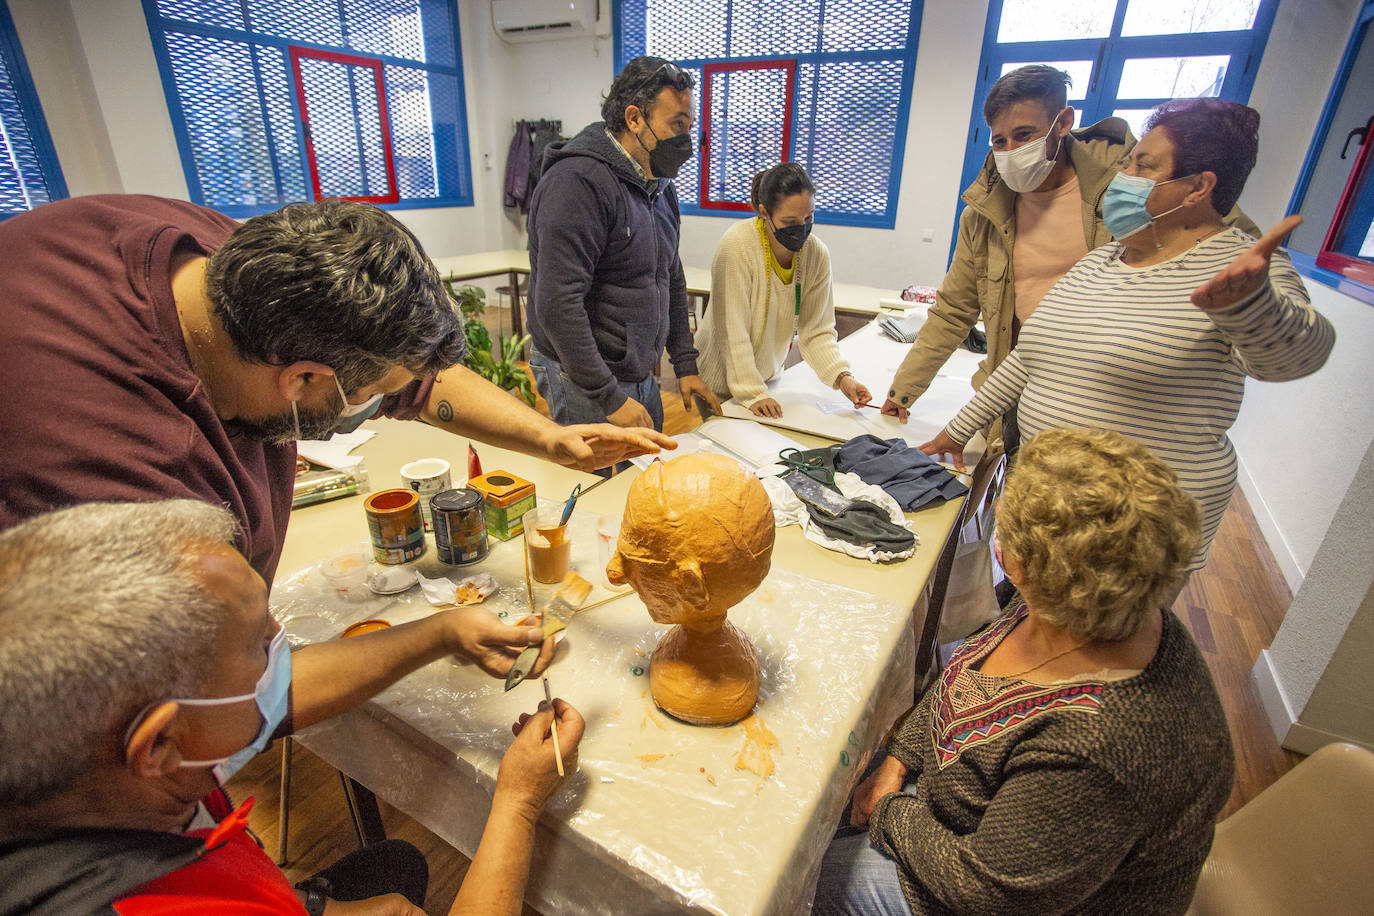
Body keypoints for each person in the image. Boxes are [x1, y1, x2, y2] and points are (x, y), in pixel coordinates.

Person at [0, 195, 673, 583]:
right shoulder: (132, 467)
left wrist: (549, 438)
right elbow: (215, 689)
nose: (391, 397)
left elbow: (414, 378)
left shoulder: (231, 258)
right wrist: (436, 636)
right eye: (373, 392)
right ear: (301, 378)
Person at [0, 500, 583, 915]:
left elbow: (275, 693)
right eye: (260, 643)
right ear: (158, 745)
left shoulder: (92, 769)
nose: (284, 643)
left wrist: (443, 632)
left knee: (395, 863)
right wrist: (518, 801)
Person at [814, 427, 1234, 915]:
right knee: (816, 788)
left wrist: (888, 813)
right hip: (956, 813)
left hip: (987, 888)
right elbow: (967, 675)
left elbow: (987, 890)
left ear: (1018, 562)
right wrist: (898, 761)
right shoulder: (1078, 602)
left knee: (800, 885)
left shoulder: (1102, 748)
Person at [918, 99, 1335, 570]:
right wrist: (956, 431)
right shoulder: (1104, 260)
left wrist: (1250, 306)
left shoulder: (1238, 268)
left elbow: (1294, 359)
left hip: (1133, 534)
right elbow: (1027, 358)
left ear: (1198, 187)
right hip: (1046, 506)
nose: (1124, 174)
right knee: (1023, 624)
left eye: (1143, 165)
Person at [879, 65, 1260, 443]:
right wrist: (904, 391)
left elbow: (1227, 233)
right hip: (1018, 391)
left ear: (1062, 122)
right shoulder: (984, 212)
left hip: (1119, 406)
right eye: (1000, 141)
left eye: (1024, 135)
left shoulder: (1129, 190)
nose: (1011, 151)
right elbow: (954, 310)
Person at [525, 56, 720, 445]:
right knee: (599, 493)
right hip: (583, 375)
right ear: (634, 119)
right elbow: (557, 304)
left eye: (689, 126)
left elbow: (670, 274)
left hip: (637, 369)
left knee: (645, 479)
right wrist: (608, 396)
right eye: (676, 125)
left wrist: (685, 365)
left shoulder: (657, 182)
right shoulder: (576, 184)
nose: (687, 140)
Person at [693, 162, 872, 419]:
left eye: (808, 218)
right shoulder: (737, 246)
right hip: (720, 381)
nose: (801, 228)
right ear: (764, 212)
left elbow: (817, 331)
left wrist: (843, 377)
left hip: (765, 380)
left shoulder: (816, 254)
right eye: (789, 221)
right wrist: (753, 393)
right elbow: (732, 331)